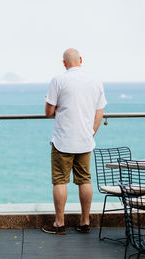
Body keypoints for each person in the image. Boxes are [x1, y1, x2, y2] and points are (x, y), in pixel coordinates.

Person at [42, 48, 107, 235]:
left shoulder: (58, 80)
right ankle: (85, 222)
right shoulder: (95, 81)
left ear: (64, 63)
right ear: (81, 60)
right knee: (85, 180)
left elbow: (48, 112)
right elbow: (99, 111)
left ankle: (59, 224)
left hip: (63, 139)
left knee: (60, 181)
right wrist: (91, 133)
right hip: (85, 139)